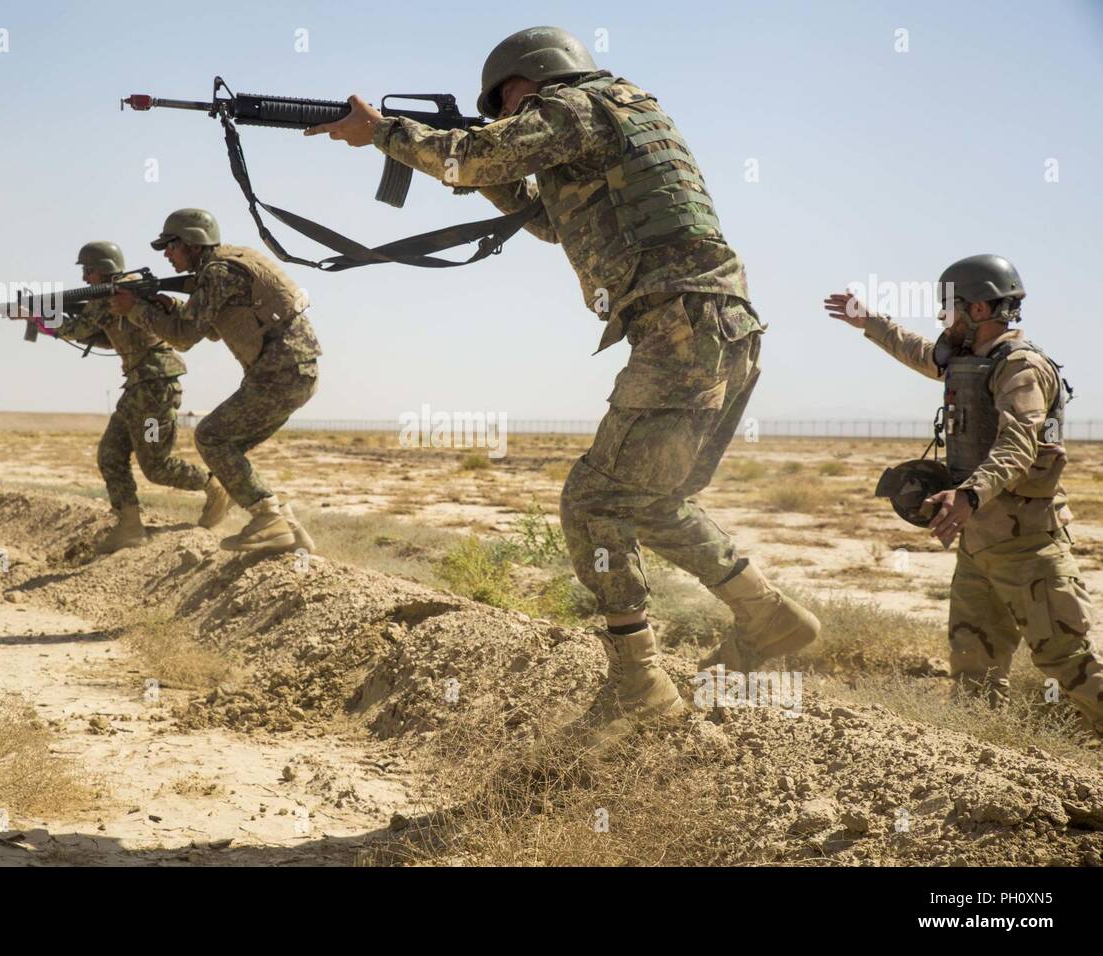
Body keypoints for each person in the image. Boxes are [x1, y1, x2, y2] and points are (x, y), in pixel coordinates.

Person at [307, 26, 820, 740]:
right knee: (651, 501)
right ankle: (770, 616)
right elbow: (555, 222)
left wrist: (382, 132)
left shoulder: (577, 106)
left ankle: (638, 681)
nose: (501, 118)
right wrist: (491, 175)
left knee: (591, 499)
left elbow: (461, 156)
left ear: (532, 80)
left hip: (681, 326)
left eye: (505, 102)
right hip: (717, 328)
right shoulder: (623, 113)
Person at [825, 254, 1102, 737]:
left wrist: (969, 495)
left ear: (977, 310)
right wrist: (869, 321)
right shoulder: (967, 360)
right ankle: (987, 779)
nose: (940, 319)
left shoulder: (1021, 369)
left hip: (1029, 548)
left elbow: (1019, 445)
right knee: (974, 674)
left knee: (1071, 665)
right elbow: (919, 352)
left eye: (947, 308)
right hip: (978, 548)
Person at [112, 209, 320, 556]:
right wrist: (167, 305)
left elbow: (183, 337)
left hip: (279, 372)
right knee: (227, 446)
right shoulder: (224, 266)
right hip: (293, 371)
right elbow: (208, 328)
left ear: (192, 242)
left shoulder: (217, 272)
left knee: (212, 437)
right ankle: (288, 529)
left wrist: (135, 310)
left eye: (171, 246)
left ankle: (267, 517)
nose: (167, 255)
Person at [60, 241, 222, 554]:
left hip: (155, 389)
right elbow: (100, 336)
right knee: (110, 453)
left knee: (156, 466)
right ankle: (130, 526)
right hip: (138, 388)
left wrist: (38, 318)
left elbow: (77, 329)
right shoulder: (112, 295)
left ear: (104, 268)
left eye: (88, 271)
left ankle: (214, 485)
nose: (84, 279)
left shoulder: (117, 293)